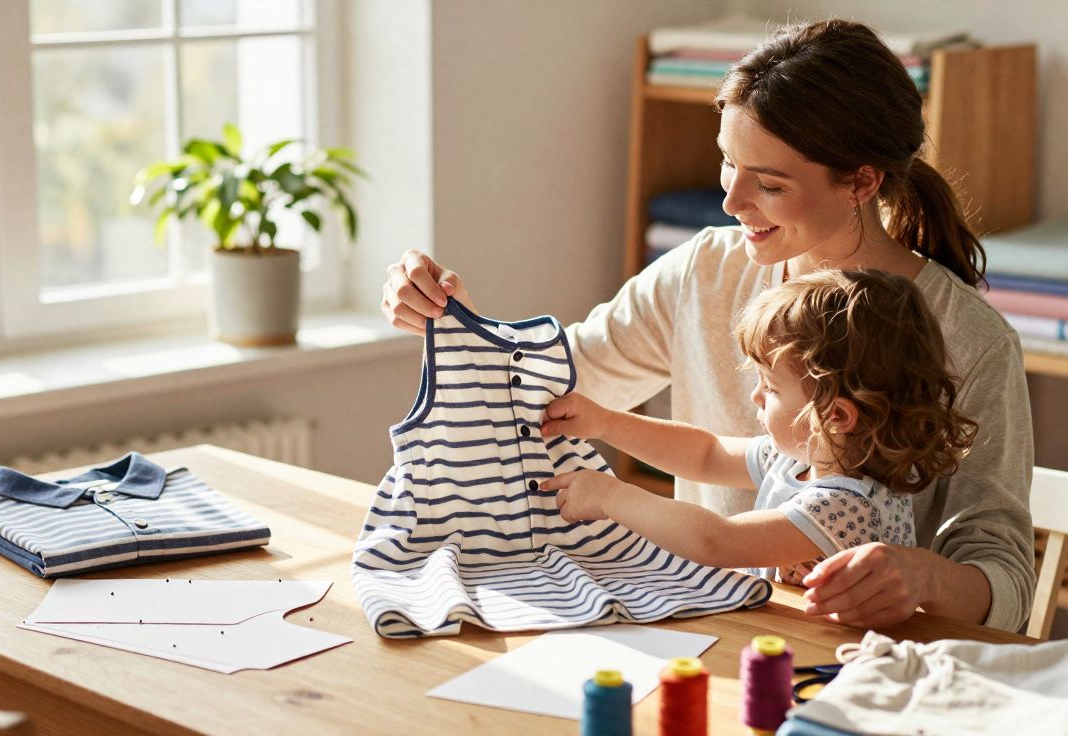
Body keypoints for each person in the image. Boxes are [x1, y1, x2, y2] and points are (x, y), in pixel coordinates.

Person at [379, 19, 1034, 631]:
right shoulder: (705, 271)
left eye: (769, 184)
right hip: (700, 626)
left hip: (844, 658)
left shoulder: (968, 338)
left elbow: (1003, 580)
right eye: (728, 162)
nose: (729, 201)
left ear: (860, 180)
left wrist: (924, 578)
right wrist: (450, 318)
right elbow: (551, 390)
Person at [538, 269, 977, 589]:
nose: (755, 398)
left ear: (837, 417)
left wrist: (613, 497)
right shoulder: (803, 458)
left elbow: (717, 542)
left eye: (769, 387)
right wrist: (606, 422)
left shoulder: (849, 505)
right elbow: (705, 453)